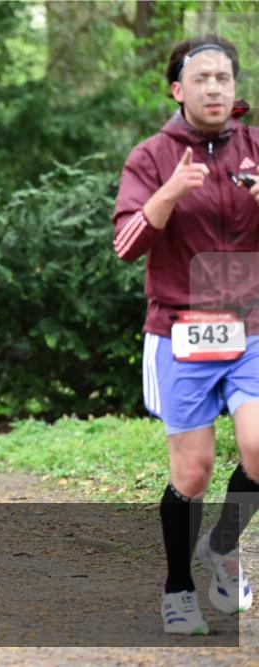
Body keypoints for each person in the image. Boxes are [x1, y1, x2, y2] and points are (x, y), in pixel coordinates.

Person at [112, 35, 259, 635]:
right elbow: (124, 246)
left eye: (224, 78)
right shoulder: (150, 156)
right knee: (193, 473)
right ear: (178, 89)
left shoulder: (256, 148)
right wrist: (170, 193)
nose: (215, 88)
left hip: (252, 327)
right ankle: (178, 587)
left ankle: (222, 545)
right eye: (202, 79)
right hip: (181, 333)